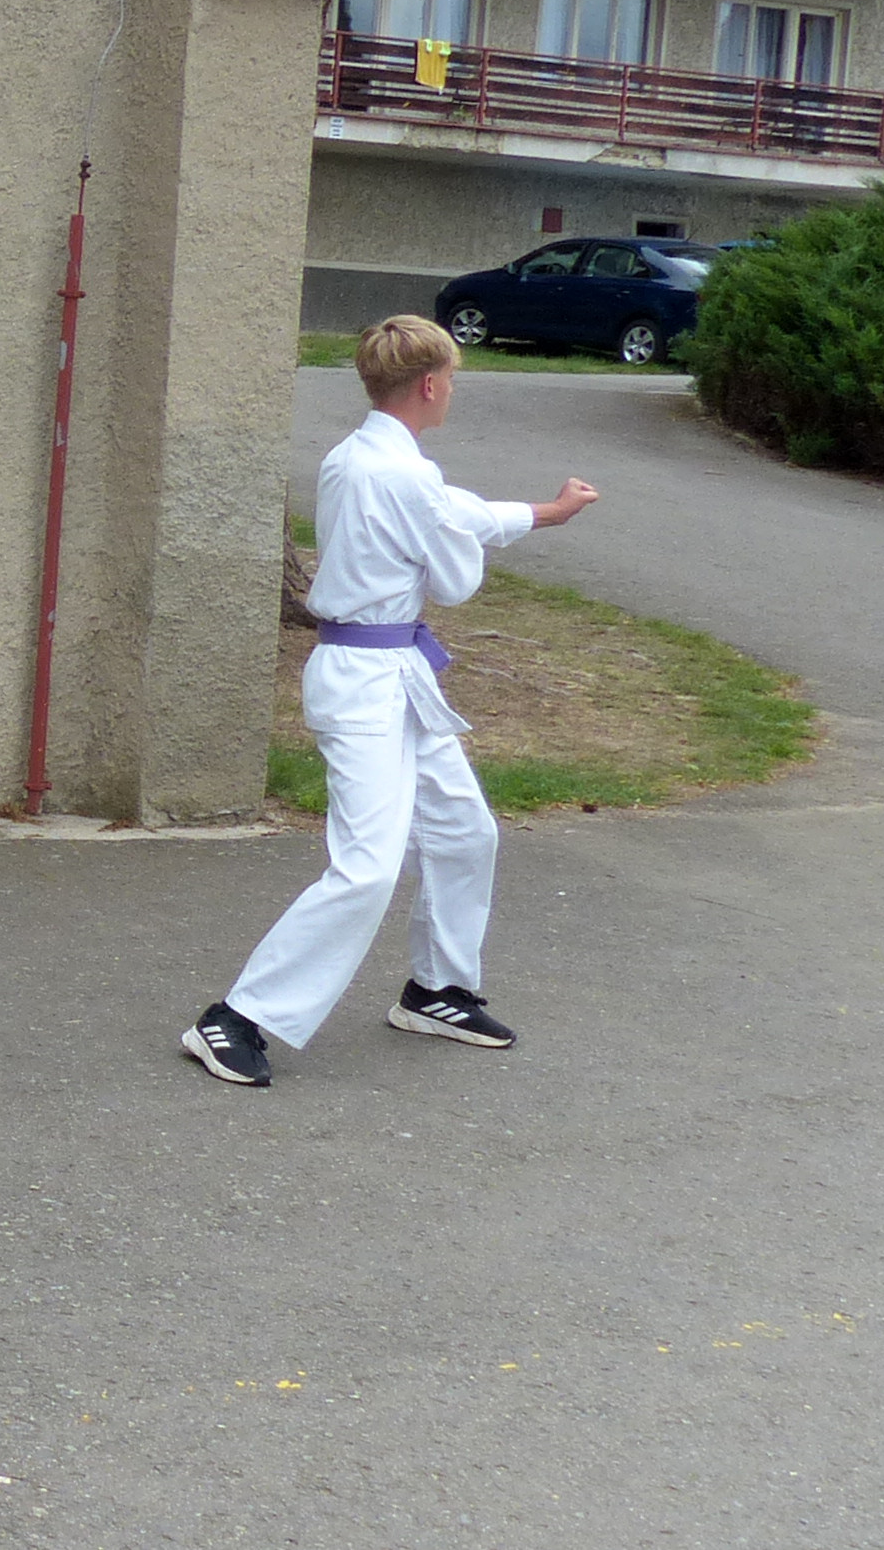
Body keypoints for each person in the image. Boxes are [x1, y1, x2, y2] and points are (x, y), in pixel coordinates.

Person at [182, 315, 597, 1088]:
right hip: (366, 683)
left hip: (390, 673)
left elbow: (452, 510)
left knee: (464, 831)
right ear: (431, 384)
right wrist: (524, 520)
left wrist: (544, 511)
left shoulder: (359, 457)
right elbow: (456, 574)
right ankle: (235, 1017)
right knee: (369, 866)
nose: (453, 392)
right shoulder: (403, 476)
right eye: (453, 381)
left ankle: (438, 989)